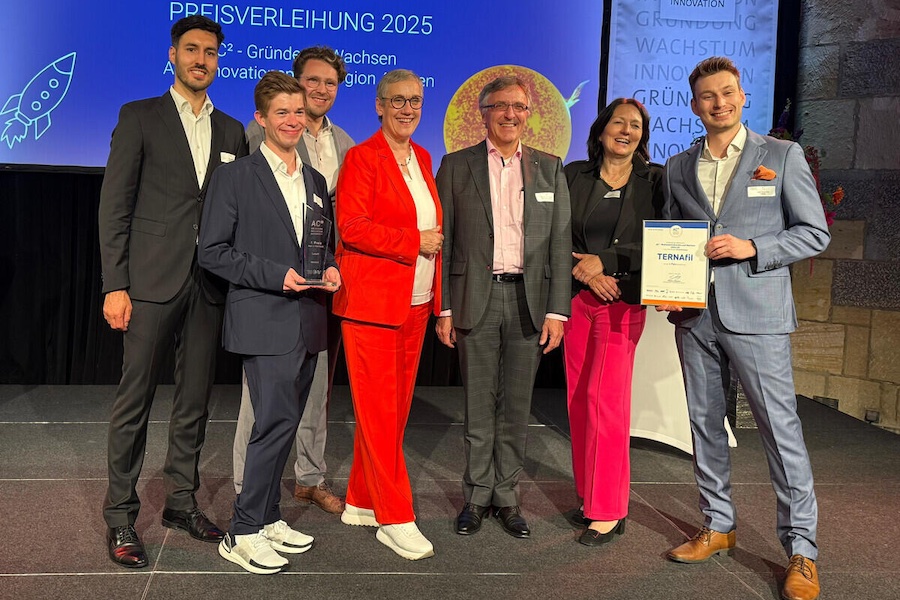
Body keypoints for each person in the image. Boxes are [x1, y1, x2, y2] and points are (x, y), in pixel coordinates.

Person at [659, 57, 829, 600]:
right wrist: (670, 286)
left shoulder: (780, 156)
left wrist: (753, 247)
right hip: (694, 317)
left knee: (781, 433)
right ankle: (718, 525)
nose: (719, 103)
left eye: (727, 93)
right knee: (705, 425)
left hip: (757, 317)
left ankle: (801, 551)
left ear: (742, 97)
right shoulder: (677, 166)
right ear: (694, 105)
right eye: (708, 96)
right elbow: (671, 234)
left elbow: (813, 233)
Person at [97, 14, 248, 568]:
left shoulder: (232, 131)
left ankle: (181, 501)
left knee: (194, 403)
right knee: (133, 402)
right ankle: (120, 516)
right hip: (150, 283)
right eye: (191, 50)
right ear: (172, 56)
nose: (200, 59)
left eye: (210, 52)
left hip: (207, 286)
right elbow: (114, 208)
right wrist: (116, 283)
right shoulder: (139, 117)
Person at [199, 71, 340, 574]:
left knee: (286, 424)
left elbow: (323, 242)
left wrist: (332, 269)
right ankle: (240, 531)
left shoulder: (317, 181)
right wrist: (276, 276)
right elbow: (213, 252)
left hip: (309, 318)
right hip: (264, 317)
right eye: (282, 112)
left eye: (299, 111)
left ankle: (269, 516)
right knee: (272, 424)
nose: (293, 120)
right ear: (261, 119)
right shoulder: (236, 177)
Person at [436, 75, 571, 539]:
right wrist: (445, 308)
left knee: (516, 406)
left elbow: (558, 245)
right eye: (501, 106)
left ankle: (507, 496)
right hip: (476, 296)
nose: (511, 114)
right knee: (477, 406)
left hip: (530, 302)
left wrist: (558, 310)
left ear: (528, 113)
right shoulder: (455, 166)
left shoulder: (551, 168)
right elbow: (446, 239)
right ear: (484, 112)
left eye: (519, 106)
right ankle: (476, 494)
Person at [234, 46, 354, 515]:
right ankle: (249, 487)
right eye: (312, 81)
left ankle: (309, 478)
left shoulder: (345, 141)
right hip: (270, 285)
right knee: (260, 398)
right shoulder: (265, 130)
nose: (321, 90)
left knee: (316, 389)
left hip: (319, 282)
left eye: (330, 82)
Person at [333, 69, 442, 561]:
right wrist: (412, 243)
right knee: (378, 414)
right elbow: (352, 227)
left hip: (415, 304)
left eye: (415, 101)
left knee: (391, 415)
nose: (407, 109)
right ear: (379, 106)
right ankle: (395, 517)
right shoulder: (361, 157)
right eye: (397, 101)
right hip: (372, 306)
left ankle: (360, 500)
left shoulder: (422, 157)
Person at [563, 98, 663, 546]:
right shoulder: (573, 176)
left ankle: (608, 509)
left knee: (607, 403)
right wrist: (580, 268)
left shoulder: (656, 180)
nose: (627, 130)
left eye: (636, 125)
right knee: (580, 402)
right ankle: (589, 496)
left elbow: (666, 238)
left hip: (623, 301)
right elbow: (551, 234)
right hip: (578, 300)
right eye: (618, 123)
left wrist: (604, 263)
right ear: (602, 129)